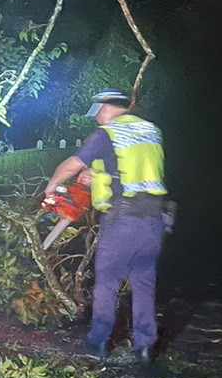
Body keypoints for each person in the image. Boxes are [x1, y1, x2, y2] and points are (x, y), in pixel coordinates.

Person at [42, 88, 168, 363]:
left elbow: (70, 165)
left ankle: (98, 344)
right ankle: (145, 348)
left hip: (122, 220)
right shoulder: (151, 132)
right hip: (154, 219)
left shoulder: (107, 134)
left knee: (107, 283)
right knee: (144, 283)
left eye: (99, 112)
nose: (97, 119)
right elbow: (129, 168)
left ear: (109, 108)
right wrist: (96, 174)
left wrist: (50, 188)